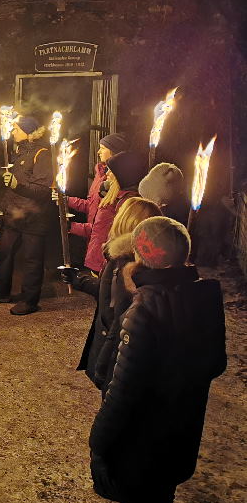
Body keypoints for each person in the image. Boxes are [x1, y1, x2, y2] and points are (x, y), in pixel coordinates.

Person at [89, 217, 226, 503]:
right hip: (180, 437)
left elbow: (120, 393)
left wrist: (98, 447)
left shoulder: (146, 309)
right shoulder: (203, 297)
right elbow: (214, 364)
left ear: (140, 252)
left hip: (141, 447)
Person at [62, 197, 162, 391]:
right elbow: (107, 291)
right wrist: (79, 281)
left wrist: (103, 365)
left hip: (119, 356)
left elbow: (119, 320)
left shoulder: (128, 267)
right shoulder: (123, 258)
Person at [0, 115, 53, 315]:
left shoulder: (42, 154)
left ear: (29, 131)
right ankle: (1, 292)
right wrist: (2, 208)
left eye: (16, 129)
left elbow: (42, 189)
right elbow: (10, 189)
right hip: (14, 214)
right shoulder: (17, 151)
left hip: (34, 217)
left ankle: (30, 301)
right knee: (5, 253)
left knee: (32, 259)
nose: (12, 132)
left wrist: (18, 185)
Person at [66, 151, 148, 279]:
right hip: (101, 259)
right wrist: (71, 226)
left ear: (121, 176)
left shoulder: (125, 203)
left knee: (106, 296)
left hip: (110, 262)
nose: (107, 174)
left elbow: (114, 236)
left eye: (111, 171)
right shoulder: (110, 197)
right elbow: (98, 230)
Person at [67, 132, 129, 273]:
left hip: (106, 251)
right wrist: (66, 201)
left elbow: (103, 225)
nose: (99, 151)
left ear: (114, 151)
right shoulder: (100, 173)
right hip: (94, 244)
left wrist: (74, 227)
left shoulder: (118, 186)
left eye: (103, 148)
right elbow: (92, 206)